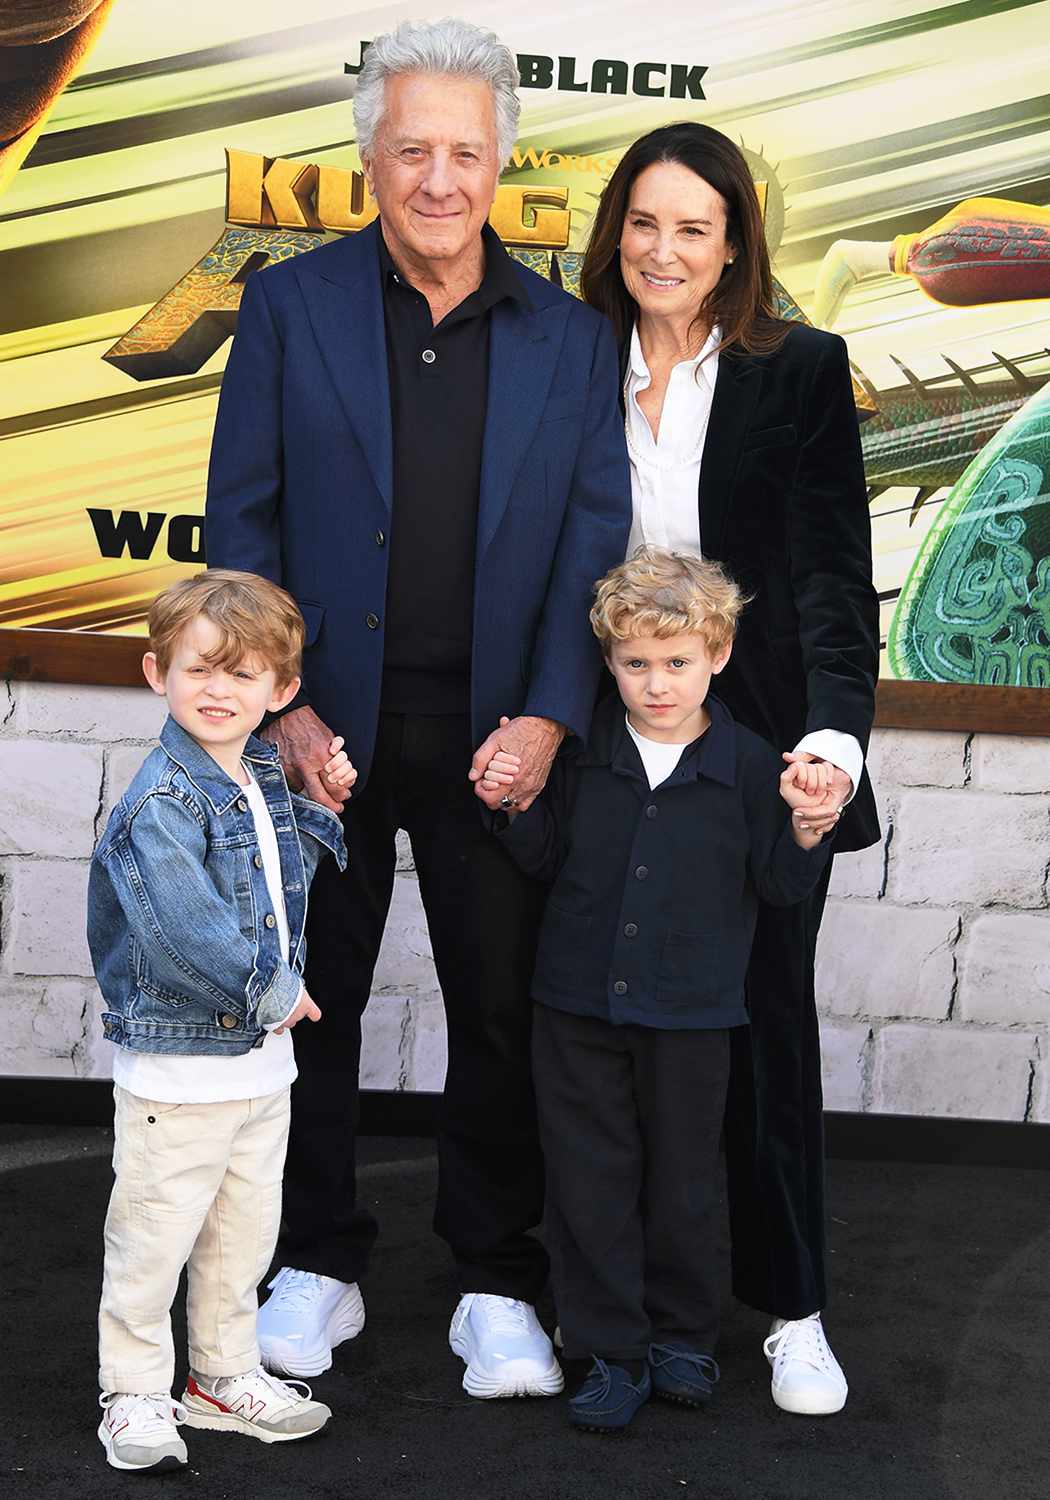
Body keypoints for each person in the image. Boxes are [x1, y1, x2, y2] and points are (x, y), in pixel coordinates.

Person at [205, 18, 630, 1396]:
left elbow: (593, 551)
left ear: (503, 158)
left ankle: (495, 1279)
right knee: (307, 1003)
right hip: (323, 732)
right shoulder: (290, 307)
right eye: (410, 151)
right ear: (369, 159)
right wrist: (284, 711)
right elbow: (243, 528)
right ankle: (311, 1263)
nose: (437, 179)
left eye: (463, 150)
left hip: (499, 736)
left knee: (499, 1010)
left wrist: (554, 721)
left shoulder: (572, 340)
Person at [579, 123, 881, 1415]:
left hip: (754, 755)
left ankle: (790, 1308)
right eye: (643, 223)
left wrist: (829, 745)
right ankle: (603, 1307)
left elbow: (827, 575)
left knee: (761, 1034)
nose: (664, 250)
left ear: (736, 241)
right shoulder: (559, 356)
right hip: (596, 745)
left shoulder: (799, 368)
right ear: (613, 233)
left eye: (693, 227)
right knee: (592, 1035)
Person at [479, 547, 840, 1432]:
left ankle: (683, 1337)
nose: (657, 682)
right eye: (636, 664)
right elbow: (545, 861)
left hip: (693, 1014)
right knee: (589, 1179)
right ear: (608, 663)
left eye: (677, 662)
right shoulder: (581, 750)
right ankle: (608, 1348)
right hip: (576, 1007)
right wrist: (514, 806)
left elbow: (783, 890)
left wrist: (806, 828)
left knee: (685, 1180)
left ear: (717, 655)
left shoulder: (756, 765)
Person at [87, 570, 350, 1471]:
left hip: (258, 1072)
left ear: (281, 693)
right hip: (179, 1071)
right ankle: (133, 1389)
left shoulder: (264, 778)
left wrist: (317, 815)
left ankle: (221, 1376)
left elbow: (275, 891)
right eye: (200, 669)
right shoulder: (162, 801)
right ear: (157, 673)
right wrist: (274, 991)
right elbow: (183, 927)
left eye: (243, 676)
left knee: (241, 1240)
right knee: (153, 1241)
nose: (217, 690)